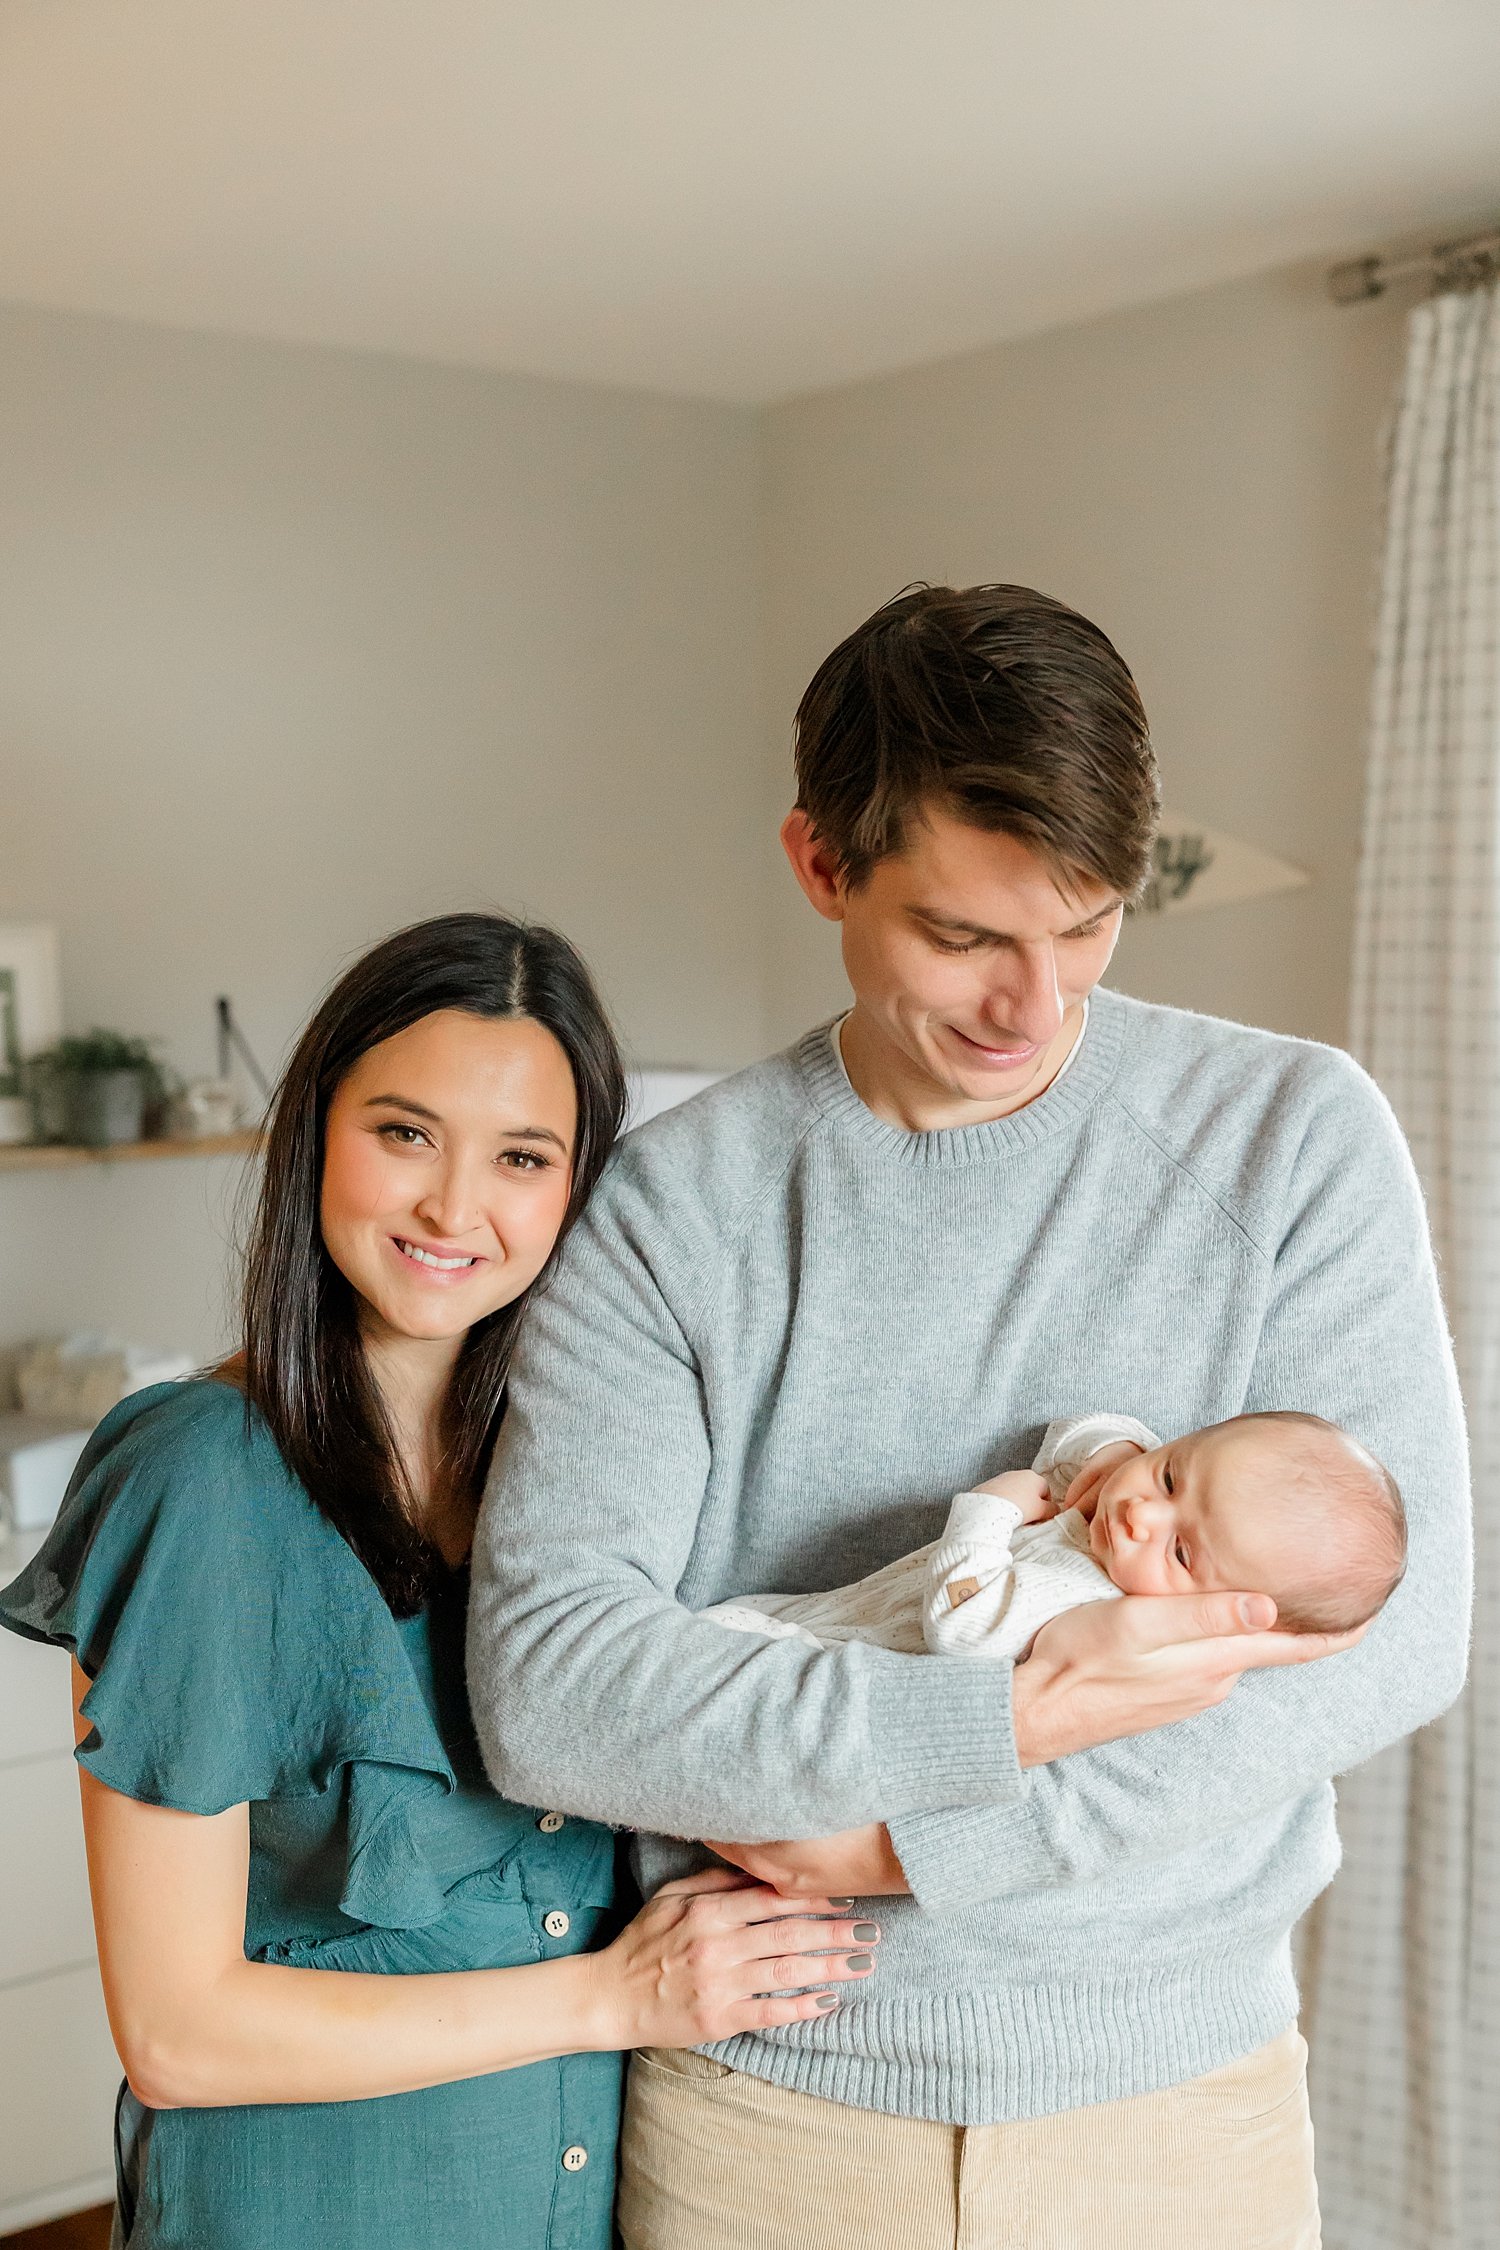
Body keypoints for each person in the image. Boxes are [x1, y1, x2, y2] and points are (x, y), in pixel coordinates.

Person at [468, 585, 1471, 2250]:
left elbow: (1399, 1622)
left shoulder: (1291, 1139)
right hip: (768, 2119)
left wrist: (904, 1851)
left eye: (1087, 926)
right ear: (822, 866)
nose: (1036, 1003)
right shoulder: (671, 1210)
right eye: (964, 937)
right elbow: (555, 1684)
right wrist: (986, 1730)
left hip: (1179, 2116)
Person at [0, 913, 881, 2250]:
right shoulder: (202, 1480)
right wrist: (616, 1998)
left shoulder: (585, 1481)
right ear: (317, 1133)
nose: (453, 1208)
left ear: (578, 1186)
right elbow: (179, 2030)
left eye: (522, 1157)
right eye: (404, 1132)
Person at [703, 1408, 1407, 1660]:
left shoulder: (1088, 1599)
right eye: (1171, 1476)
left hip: (832, 1662)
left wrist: (989, 1511)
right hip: (825, 1613)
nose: (1140, 1515)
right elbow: (1082, 1435)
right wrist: (1118, 1450)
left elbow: (967, 1628)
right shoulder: (1122, 1515)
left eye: (1183, 1551)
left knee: (708, 1644)